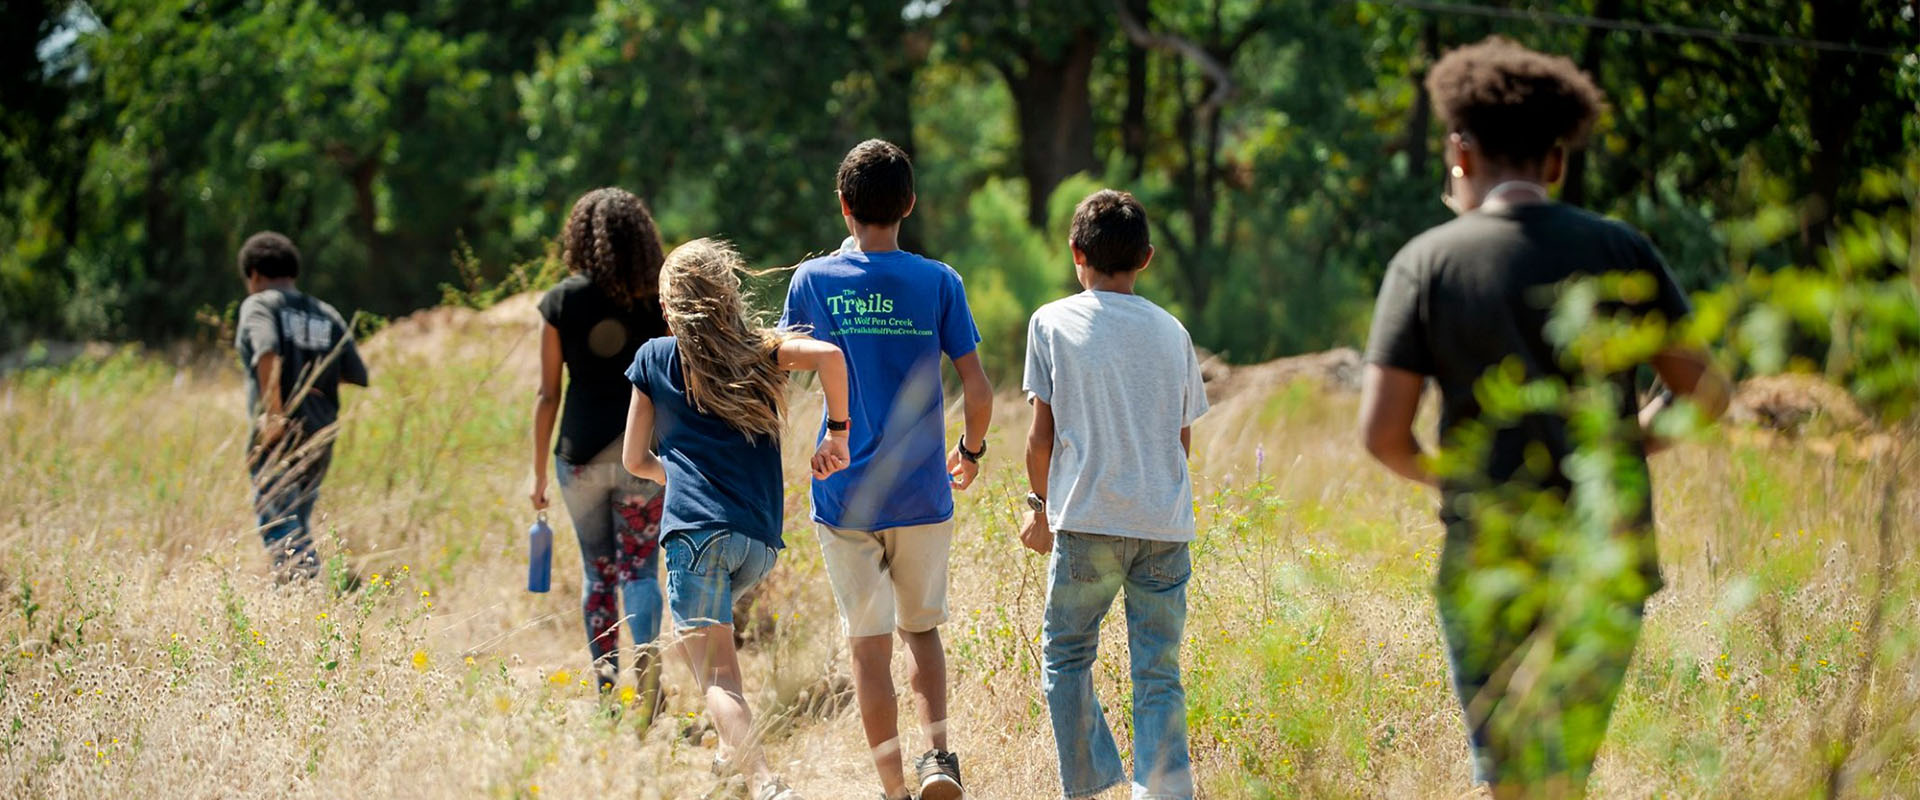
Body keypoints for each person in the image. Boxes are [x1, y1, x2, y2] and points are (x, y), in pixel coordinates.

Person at [1357, 37, 1730, 799]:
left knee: (1507, 775)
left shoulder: (1426, 262)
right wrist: (1626, 443)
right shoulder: (1620, 247)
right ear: (1556, 162)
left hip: (1491, 553)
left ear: (1459, 152)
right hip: (1607, 552)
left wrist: (1450, 475)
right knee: (1562, 775)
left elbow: (1383, 436)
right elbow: (1709, 394)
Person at [779, 138, 993, 800]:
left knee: (868, 648)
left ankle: (894, 790)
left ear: (843, 205)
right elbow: (978, 390)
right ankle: (939, 760)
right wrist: (972, 451)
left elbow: (782, 372)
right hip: (923, 490)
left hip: (844, 496)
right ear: (910, 204)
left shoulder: (812, 281)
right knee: (921, 632)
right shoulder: (939, 281)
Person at [623, 238, 852, 800]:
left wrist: (673, 476)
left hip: (694, 538)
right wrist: (839, 433)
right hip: (756, 543)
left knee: (715, 674)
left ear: (671, 303)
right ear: (727, 292)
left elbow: (633, 459)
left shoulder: (655, 357)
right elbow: (830, 357)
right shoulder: (761, 349)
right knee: (716, 656)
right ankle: (731, 756)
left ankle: (766, 782)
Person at [1020, 190, 1208, 800]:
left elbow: (1039, 439)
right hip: (1163, 525)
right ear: (1147, 259)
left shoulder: (1050, 322)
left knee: (1068, 655)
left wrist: (1039, 509)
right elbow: (1181, 442)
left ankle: (1097, 786)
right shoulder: (1173, 333)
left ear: (1076, 253)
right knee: (1159, 670)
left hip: (1087, 523)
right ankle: (1162, 791)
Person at [529, 188, 672, 695]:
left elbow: (548, 394)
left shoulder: (560, 301)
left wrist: (538, 473)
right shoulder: (659, 298)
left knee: (599, 573)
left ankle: (608, 692)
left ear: (579, 237)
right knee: (640, 569)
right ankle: (650, 680)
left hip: (581, 456)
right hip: (645, 456)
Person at [233, 231, 369, 583]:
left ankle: (302, 597)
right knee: (297, 519)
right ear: (292, 272)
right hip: (320, 435)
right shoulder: (326, 313)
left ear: (254, 275)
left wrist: (274, 415)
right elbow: (357, 373)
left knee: (279, 522)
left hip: (281, 435)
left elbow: (266, 351)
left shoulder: (260, 304)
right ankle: (298, 596)